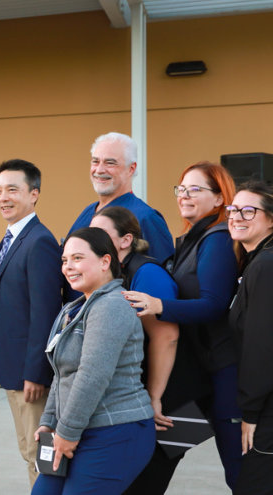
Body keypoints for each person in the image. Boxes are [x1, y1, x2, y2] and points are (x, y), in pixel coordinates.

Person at [122, 161, 241, 491]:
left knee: (238, 468)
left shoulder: (217, 238)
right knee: (162, 456)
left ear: (219, 198)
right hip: (198, 375)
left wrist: (159, 306)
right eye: (182, 188)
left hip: (220, 377)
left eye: (195, 189)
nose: (184, 195)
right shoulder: (193, 237)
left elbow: (214, 304)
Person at [32, 227, 155, 494]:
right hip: (77, 427)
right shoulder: (75, 307)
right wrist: (49, 421)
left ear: (105, 261)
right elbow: (62, 373)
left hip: (114, 430)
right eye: (65, 260)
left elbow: (91, 375)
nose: (68, 267)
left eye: (77, 258)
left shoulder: (111, 305)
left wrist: (66, 432)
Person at [0, 159, 61, 487]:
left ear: (34, 194)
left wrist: (36, 372)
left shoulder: (39, 241)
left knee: (41, 454)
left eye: (12, 190)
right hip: (11, 370)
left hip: (29, 376)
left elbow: (45, 313)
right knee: (30, 451)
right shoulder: (11, 239)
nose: (3, 198)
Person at [90, 207, 181, 435]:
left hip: (166, 396)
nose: (92, 240)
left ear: (126, 240)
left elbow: (166, 337)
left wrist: (154, 396)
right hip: (134, 394)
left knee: (157, 453)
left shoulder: (147, 272)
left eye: (100, 233)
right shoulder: (112, 272)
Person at [226, 181, 273, 494]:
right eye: (233, 209)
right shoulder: (257, 262)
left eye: (248, 211)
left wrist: (251, 412)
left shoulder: (265, 266)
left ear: (271, 219)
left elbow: (261, 346)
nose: (236, 216)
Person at [68, 132, 173, 263]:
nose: (99, 170)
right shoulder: (88, 212)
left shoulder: (145, 217)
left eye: (110, 163)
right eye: (95, 161)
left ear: (131, 169)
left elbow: (160, 271)